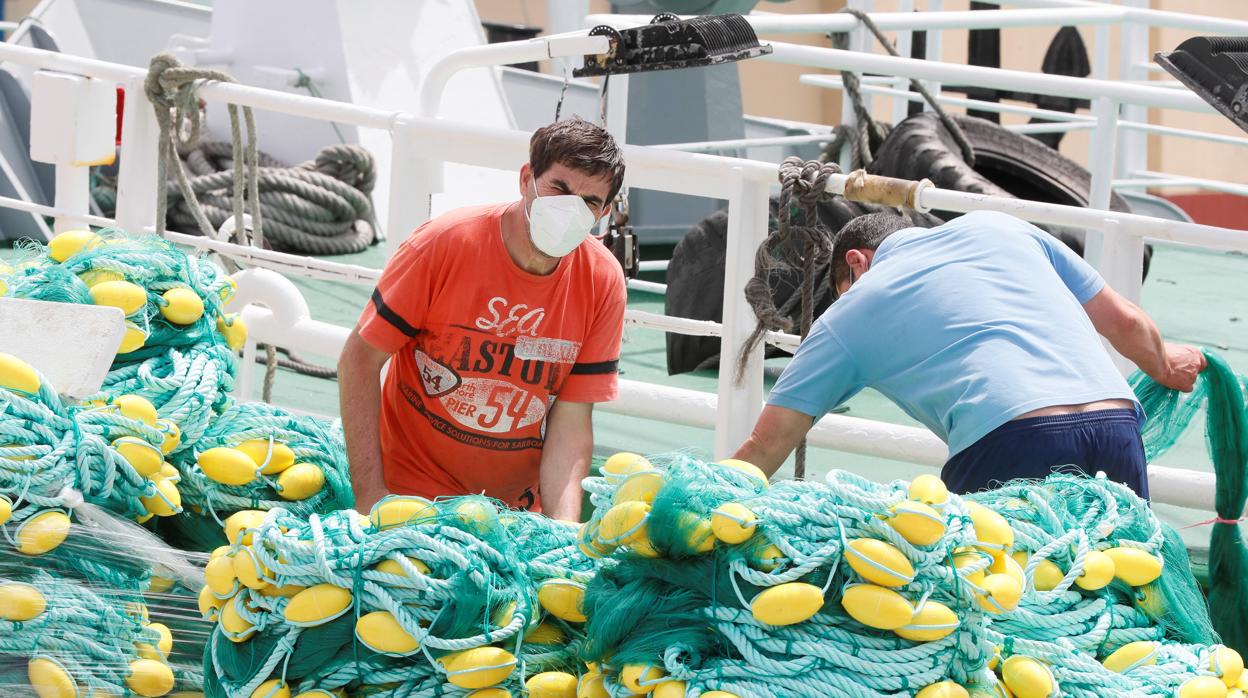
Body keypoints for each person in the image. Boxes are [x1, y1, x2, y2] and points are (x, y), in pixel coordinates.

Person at [733, 210, 1206, 496]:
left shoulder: (853, 308)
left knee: (1002, 622)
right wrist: (1164, 366)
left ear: (856, 261)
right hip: (1117, 424)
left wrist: (699, 512)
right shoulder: (1002, 228)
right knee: (1125, 594)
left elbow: (767, 445)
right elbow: (1124, 320)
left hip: (1011, 439)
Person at [338, 118, 627, 520]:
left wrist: (562, 532)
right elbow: (360, 359)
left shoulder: (603, 281)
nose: (569, 209)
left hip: (513, 516)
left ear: (605, 211)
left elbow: (572, 419)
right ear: (527, 178)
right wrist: (370, 496)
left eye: (589, 202)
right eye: (558, 188)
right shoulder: (443, 243)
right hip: (407, 501)